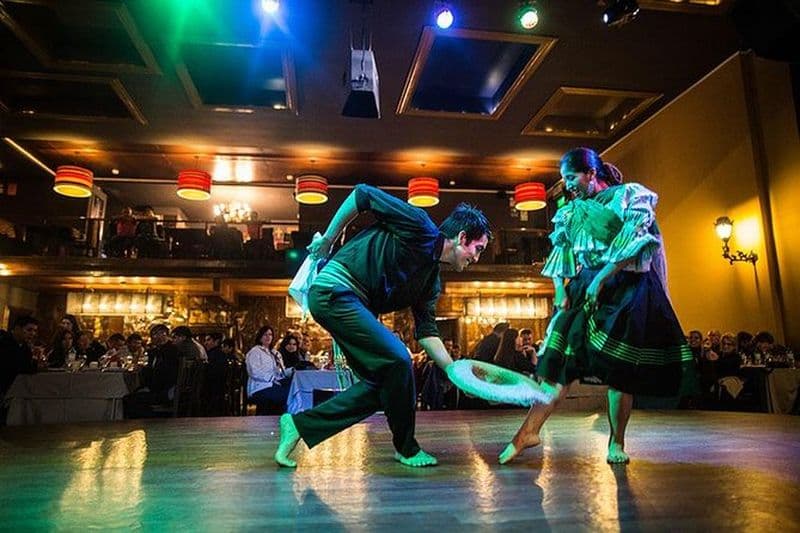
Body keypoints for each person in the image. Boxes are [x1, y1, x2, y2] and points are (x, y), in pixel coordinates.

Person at [499, 147, 693, 465]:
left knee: (621, 372)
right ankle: (526, 433)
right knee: (559, 365)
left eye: (572, 177)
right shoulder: (570, 212)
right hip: (585, 286)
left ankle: (616, 442)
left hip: (626, 286)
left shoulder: (629, 196)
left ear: (591, 173)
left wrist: (602, 277)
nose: (567, 185)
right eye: (563, 179)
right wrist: (558, 290)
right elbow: (561, 253)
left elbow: (636, 240)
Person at [275, 184, 491, 468]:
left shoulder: (430, 280)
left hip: (350, 303)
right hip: (334, 291)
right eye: (478, 249)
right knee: (399, 359)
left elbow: (426, 332)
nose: (477, 258)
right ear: (463, 238)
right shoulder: (419, 225)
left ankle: (300, 426)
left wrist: (454, 372)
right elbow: (361, 194)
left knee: (385, 386)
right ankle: (407, 448)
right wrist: (329, 238)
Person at [246, 325, 293, 415]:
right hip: (260, 386)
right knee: (285, 395)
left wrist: (291, 371)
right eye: (265, 335)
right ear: (260, 337)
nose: (268, 337)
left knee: (293, 387)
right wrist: (271, 378)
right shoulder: (255, 352)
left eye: (270, 334)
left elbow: (280, 373)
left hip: (274, 383)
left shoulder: (275, 353)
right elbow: (253, 372)